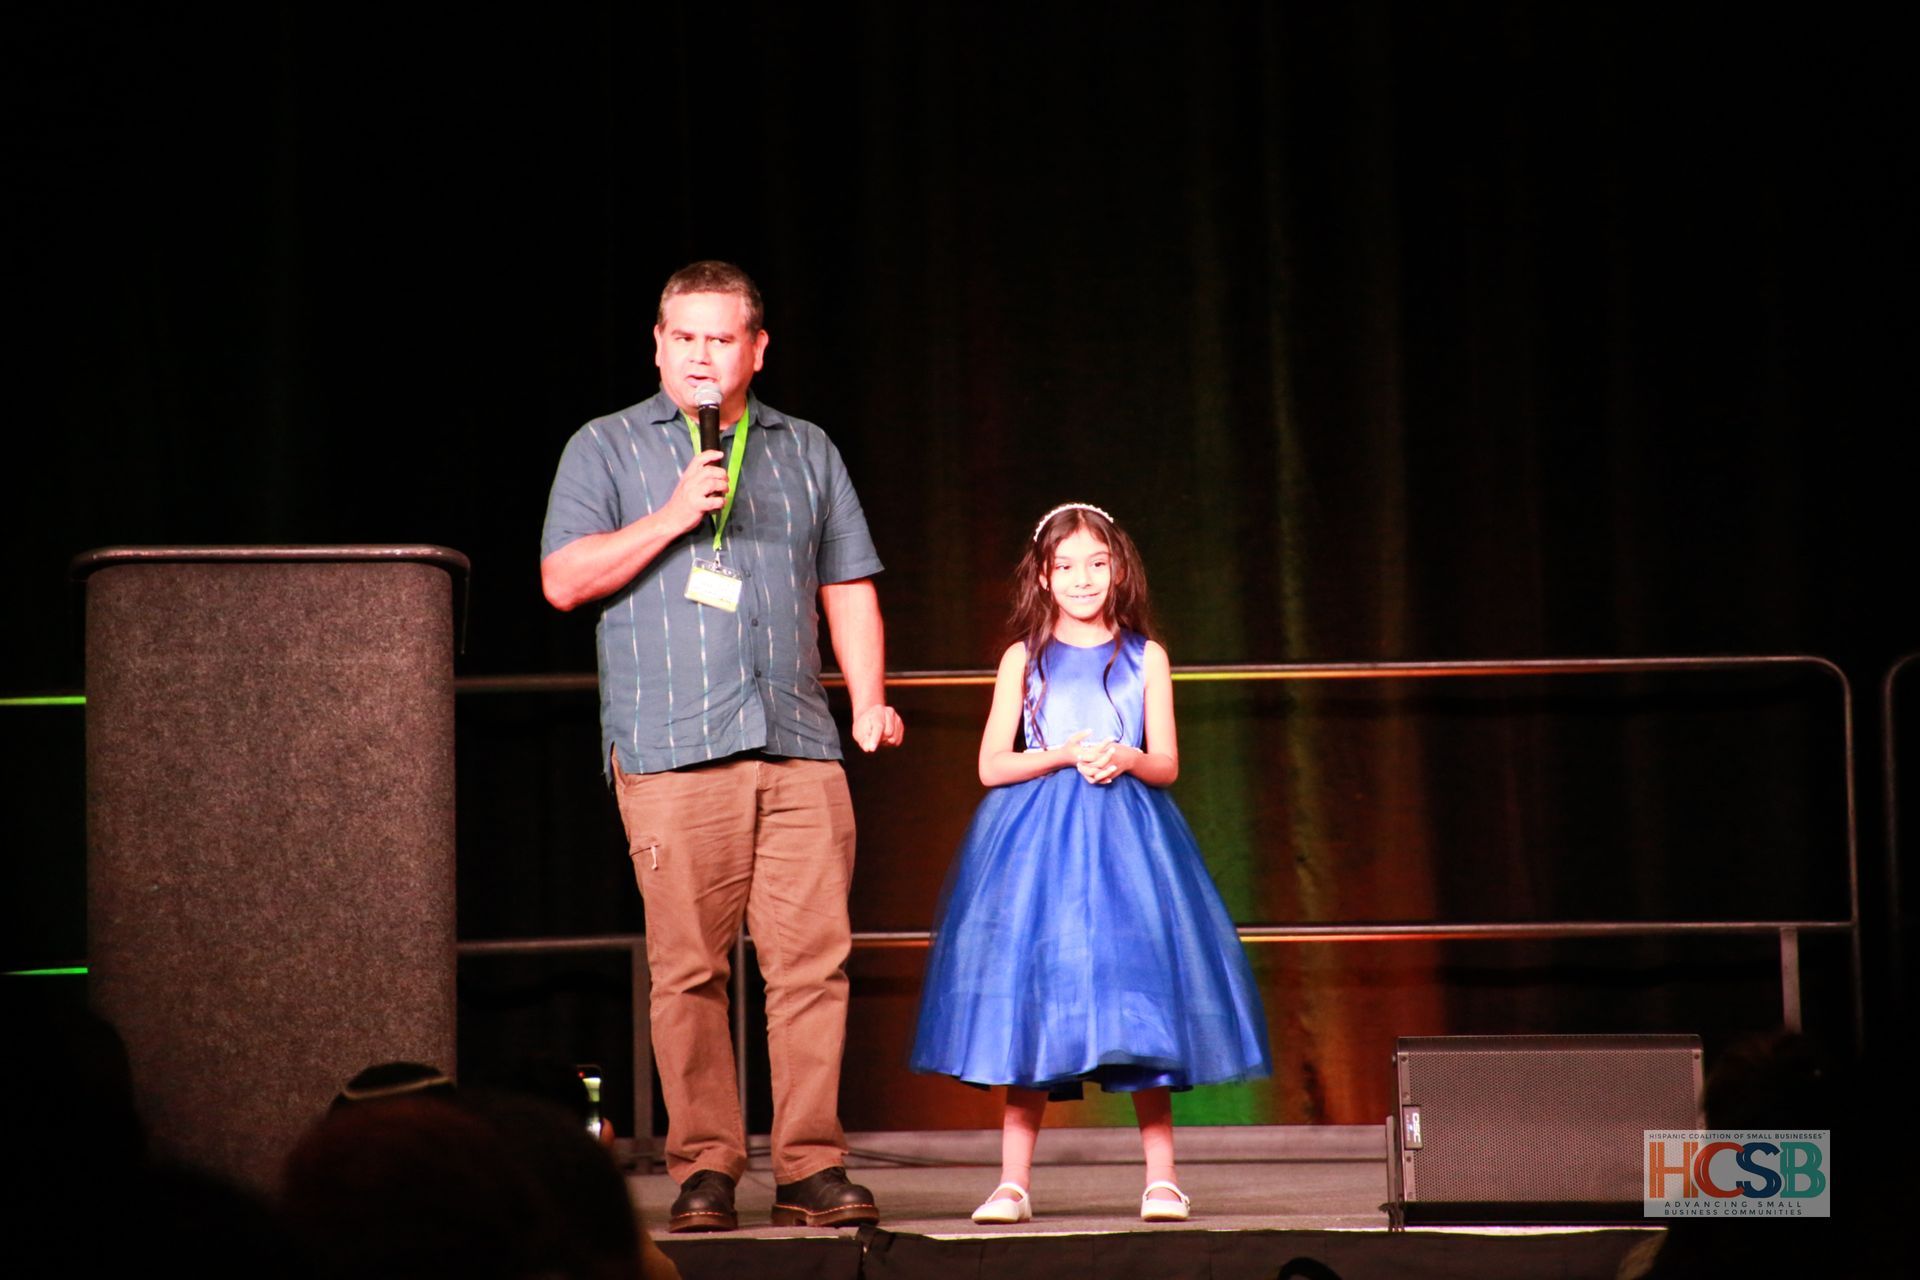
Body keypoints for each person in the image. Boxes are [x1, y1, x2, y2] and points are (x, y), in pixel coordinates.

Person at [540, 260, 904, 1232]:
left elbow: (848, 585)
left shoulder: (806, 447)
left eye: (721, 338)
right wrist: (670, 516)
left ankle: (811, 1166)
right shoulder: (606, 446)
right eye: (685, 337)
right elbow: (563, 580)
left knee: (812, 967)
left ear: (757, 349)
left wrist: (868, 700)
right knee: (690, 971)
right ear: (658, 345)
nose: (702, 355)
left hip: (797, 739)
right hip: (671, 747)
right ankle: (705, 1166)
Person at [909, 502, 1270, 1224]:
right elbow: (991, 764)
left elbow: (1166, 763)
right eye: (1066, 565)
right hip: (1038, 847)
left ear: (1119, 569)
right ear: (1043, 576)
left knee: (1142, 998)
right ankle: (1013, 1182)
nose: (1083, 578)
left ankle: (1162, 1179)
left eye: (1097, 564)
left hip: (1128, 846)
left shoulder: (1145, 656)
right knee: (1035, 995)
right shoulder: (1024, 657)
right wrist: (1062, 754)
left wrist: (1128, 756)